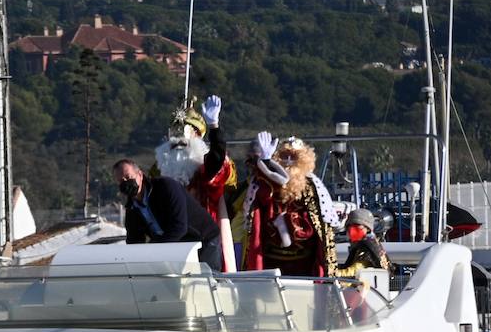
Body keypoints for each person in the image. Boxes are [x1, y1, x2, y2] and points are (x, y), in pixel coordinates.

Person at [236, 134, 344, 277]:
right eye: (284, 156)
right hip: (271, 259)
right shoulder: (267, 183)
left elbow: (317, 222)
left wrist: (289, 222)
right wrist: (266, 166)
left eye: (293, 157)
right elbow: (261, 204)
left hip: (304, 261)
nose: (288, 161)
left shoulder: (311, 186)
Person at [153, 95, 238, 270]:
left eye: (184, 135)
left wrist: (214, 127)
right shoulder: (160, 170)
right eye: (174, 136)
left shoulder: (203, 170)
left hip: (204, 239)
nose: (178, 142)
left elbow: (216, 157)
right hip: (172, 240)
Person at [113, 158, 223, 272]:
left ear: (140, 175)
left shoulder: (165, 187)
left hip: (203, 238)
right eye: (121, 181)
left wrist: (154, 248)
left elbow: (179, 227)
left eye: (128, 177)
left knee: (209, 277)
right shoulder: (132, 208)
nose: (126, 182)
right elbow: (134, 240)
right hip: (175, 245)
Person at [338, 207, 390, 278]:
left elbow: (355, 270)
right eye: (349, 228)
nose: (352, 231)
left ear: (367, 229)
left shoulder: (367, 247)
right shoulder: (371, 245)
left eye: (357, 227)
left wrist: (335, 273)